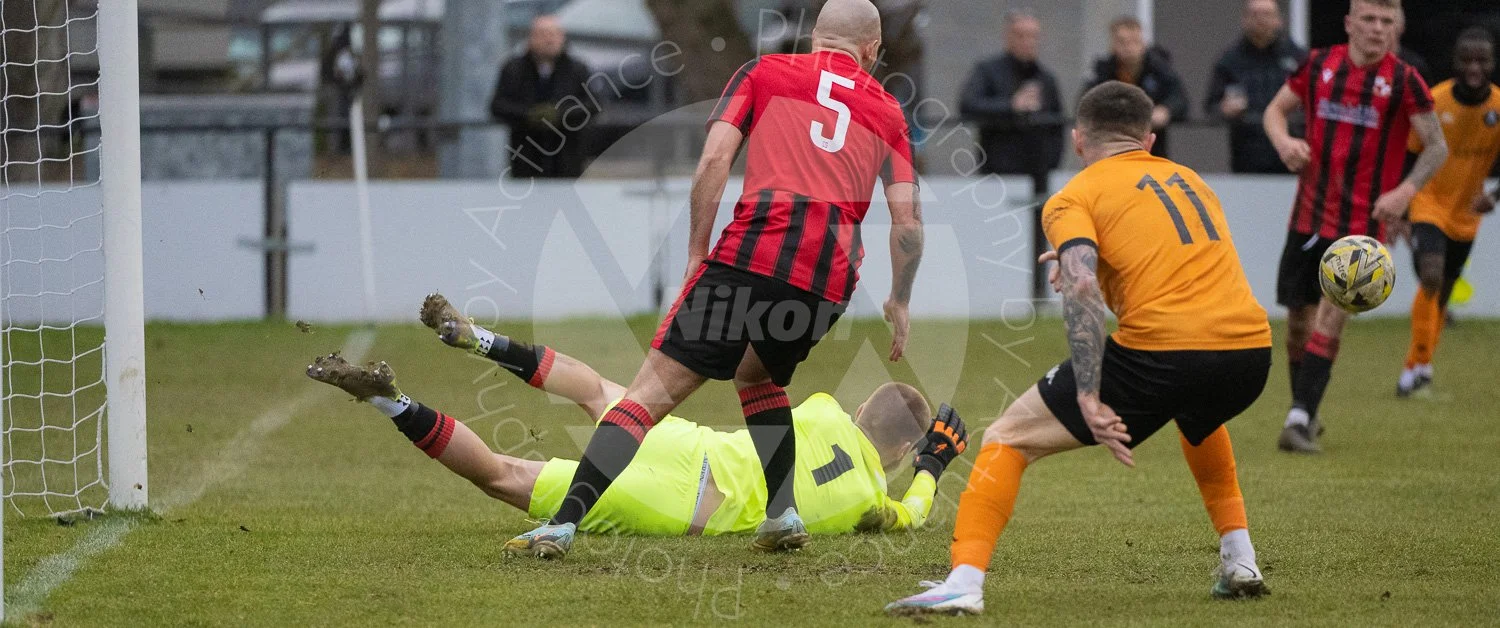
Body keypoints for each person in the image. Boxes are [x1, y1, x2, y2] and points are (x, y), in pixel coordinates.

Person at [504, 0, 923, 560]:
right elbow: (907, 223)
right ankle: (781, 514)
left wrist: (698, 253)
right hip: (826, 281)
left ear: (815, 37)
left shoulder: (764, 73)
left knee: (648, 396)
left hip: (751, 255)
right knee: (758, 378)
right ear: (871, 50)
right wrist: (899, 298)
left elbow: (713, 164)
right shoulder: (889, 112)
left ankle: (562, 523)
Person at [884, 81, 1274, 616]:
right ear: (1150, 140)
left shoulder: (1075, 196)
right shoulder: (1191, 181)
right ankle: (1240, 558)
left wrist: (1089, 393)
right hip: (1250, 354)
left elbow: (1085, 287)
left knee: (1007, 437)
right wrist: (1087, 268)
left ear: (1077, 141)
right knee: (1199, 416)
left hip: (1162, 353)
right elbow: (1170, 270)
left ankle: (964, 582)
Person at [302, 294, 969, 538]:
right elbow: (910, 513)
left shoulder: (825, 409)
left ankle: (479, 339)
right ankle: (392, 401)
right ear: (900, 455)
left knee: (598, 389)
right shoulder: (867, 501)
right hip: (686, 503)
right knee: (507, 474)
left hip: (690, 445)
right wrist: (933, 465)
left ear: (857, 408)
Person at [1263, 0, 1447, 453]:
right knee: (1298, 325)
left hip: (1364, 226)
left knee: (1333, 314)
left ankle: (1299, 418)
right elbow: (1273, 112)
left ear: (1396, 28)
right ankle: (1304, 407)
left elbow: (1436, 147)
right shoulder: (1319, 65)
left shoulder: (1404, 80)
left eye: (1387, 21)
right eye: (1369, 19)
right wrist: (1285, 142)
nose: (1378, 29)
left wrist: (1405, 192)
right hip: (1308, 215)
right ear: (1349, 23)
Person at [1398, 28, 1500, 397]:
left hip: (1466, 212)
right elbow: (1409, 155)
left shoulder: (1498, 108)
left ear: (1492, 63)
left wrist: (1496, 195)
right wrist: (1402, 207)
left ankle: (1416, 366)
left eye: (1482, 60)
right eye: (1466, 59)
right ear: (1455, 62)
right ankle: (1420, 366)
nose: (1474, 67)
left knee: (1442, 292)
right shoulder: (1435, 101)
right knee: (1431, 276)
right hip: (1428, 201)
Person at [1204, 0, 1308, 174]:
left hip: (1291, 151)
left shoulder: (1298, 58)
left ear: (1279, 20)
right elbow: (1211, 107)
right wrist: (1225, 109)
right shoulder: (1229, 61)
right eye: (1254, 14)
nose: (1261, 20)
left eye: (1266, 14)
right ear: (1244, 19)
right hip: (1247, 153)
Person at [959, 10, 1065, 177]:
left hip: (1040, 172)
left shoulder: (1046, 78)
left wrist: (1052, 161)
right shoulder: (988, 71)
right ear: (1008, 37)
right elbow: (968, 104)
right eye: (1021, 36)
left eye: (1033, 36)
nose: (1028, 42)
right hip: (998, 170)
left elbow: (1057, 123)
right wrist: (1011, 105)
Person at [488, 16, 593, 178]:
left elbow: (593, 104)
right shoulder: (514, 69)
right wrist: (529, 114)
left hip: (567, 161)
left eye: (554, 34)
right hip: (526, 160)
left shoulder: (577, 69)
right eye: (543, 34)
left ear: (562, 38)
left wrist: (560, 114)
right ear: (531, 38)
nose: (549, 40)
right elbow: (498, 105)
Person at [1082, 16, 1189, 159]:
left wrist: (1165, 110)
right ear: (1112, 44)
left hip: (1152, 148)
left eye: (1134, 41)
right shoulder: (1102, 71)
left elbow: (1180, 98)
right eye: (1122, 42)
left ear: (1143, 43)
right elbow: (1086, 102)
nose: (1128, 48)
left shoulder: (1158, 68)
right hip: (1110, 148)